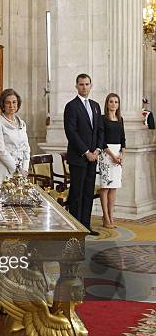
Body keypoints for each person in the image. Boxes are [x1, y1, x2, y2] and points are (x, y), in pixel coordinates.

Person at [63, 74, 104, 236]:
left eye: (87, 84)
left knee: (88, 192)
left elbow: (100, 130)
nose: (84, 87)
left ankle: (86, 226)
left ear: (91, 85)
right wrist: (86, 152)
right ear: (76, 86)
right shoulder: (71, 106)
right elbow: (71, 133)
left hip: (93, 157)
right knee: (76, 193)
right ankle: (75, 228)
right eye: (81, 84)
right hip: (78, 157)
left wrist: (97, 150)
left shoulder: (95, 105)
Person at [98, 93, 126, 228]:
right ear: (107, 104)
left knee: (113, 187)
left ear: (118, 104)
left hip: (118, 155)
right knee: (105, 187)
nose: (113, 104)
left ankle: (111, 216)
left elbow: (123, 140)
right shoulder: (102, 119)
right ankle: (105, 217)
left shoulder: (120, 119)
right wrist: (113, 156)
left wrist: (121, 155)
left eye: (116, 102)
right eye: (111, 101)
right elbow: (101, 141)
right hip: (106, 154)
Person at [0, 88, 30, 184]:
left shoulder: (22, 123)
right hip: (5, 168)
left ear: (18, 104)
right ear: (3, 105)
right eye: (8, 103)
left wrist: (24, 169)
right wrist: (17, 170)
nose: (11, 105)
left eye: (14, 102)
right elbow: (0, 150)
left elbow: (26, 149)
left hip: (21, 169)